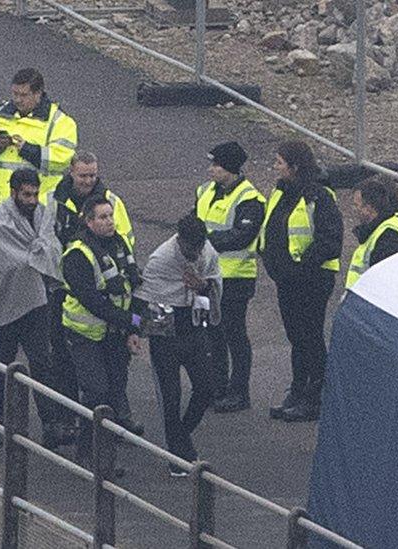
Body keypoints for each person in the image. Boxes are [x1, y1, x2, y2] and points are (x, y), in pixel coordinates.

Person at [0, 169, 73, 449]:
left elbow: (48, 250)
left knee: (42, 362)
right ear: (13, 193)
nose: (32, 200)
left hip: (34, 301)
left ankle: (50, 424)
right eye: (26, 194)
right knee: (4, 364)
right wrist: (33, 257)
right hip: (4, 303)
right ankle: (0, 420)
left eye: (35, 194)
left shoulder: (41, 216)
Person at [46, 151, 135, 443]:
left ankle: (112, 427)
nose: (88, 180)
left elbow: (127, 257)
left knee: (112, 380)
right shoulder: (57, 200)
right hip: (77, 309)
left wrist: (134, 317)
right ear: (71, 172)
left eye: (92, 175)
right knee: (77, 374)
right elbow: (48, 239)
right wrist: (133, 320)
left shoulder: (110, 203)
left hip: (108, 319)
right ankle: (79, 432)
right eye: (83, 175)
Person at [259, 141, 342, 423]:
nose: (275, 166)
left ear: (294, 167)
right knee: (297, 338)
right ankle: (297, 391)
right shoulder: (280, 192)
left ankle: (314, 397)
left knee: (311, 337)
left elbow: (330, 241)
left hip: (312, 280)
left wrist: (299, 266)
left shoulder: (319, 196)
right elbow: (271, 229)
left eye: (280, 162)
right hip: (287, 280)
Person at [61, 195, 144, 465]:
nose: (109, 221)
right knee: (96, 391)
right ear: (88, 221)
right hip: (84, 334)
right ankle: (88, 453)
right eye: (102, 217)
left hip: (114, 333)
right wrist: (132, 322)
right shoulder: (77, 255)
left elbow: (133, 286)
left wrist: (133, 329)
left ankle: (105, 450)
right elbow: (94, 302)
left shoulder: (119, 245)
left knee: (114, 390)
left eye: (110, 216)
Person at [139, 214, 221, 477]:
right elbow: (147, 297)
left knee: (206, 388)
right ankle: (178, 452)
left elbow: (216, 284)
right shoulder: (161, 260)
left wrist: (204, 286)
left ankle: (181, 437)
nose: (195, 254)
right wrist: (138, 329)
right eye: (190, 249)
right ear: (179, 240)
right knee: (171, 397)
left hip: (194, 328)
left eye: (199, 248)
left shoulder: (206, 252)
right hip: (166, 333)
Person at [192, 142, 265, 413]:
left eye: (216, 165)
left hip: (235, 278)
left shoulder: (250, 199)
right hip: (206, 277)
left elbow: (242, 236)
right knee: (212, 334)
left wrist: (205, 241)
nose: (211, 169)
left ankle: (239, 392)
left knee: (234, 335)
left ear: (231, 169)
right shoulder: (205, 191)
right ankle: (218, 386)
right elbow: (192, 223)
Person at [0, 68, 78, 208]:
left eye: (24, 95)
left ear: (38, 94)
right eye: (15, 94)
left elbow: (62, 159)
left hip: (40, 205)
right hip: (3, 203)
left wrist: (27, 149)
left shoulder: (60, 122)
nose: (18, 100)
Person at [345, 177, 398, 289]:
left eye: (357, 205)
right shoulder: (384, 228)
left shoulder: (389, 234)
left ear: (369, 208)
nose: (355, 210)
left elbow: (383, 281)